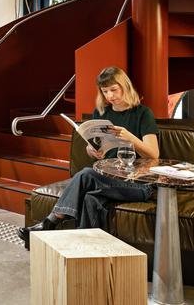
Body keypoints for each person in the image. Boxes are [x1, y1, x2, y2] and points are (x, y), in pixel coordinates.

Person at [17, 66, 159, 249]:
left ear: (125, 86)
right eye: (105, 91)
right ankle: (86, 251)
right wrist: (91, 150)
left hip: (138, 183)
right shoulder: (102, 113)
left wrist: (129, 137)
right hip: (109, 178)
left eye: (114, 90)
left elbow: (154, 154)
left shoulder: (143, 114)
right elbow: (92, 145)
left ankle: (51, 221)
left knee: (86, 174)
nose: (110, 96)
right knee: (90, 199)